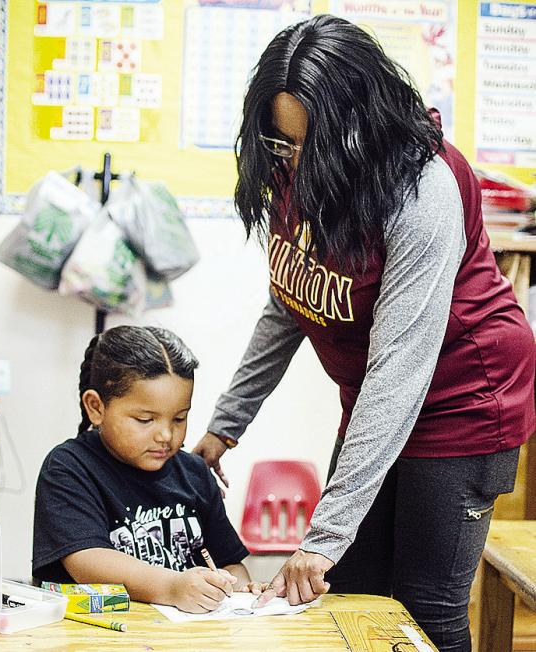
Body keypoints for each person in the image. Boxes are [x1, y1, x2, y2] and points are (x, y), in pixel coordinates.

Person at [192, 14, 536, 650]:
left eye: (306, 147)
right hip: (380, 398)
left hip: (464, 397)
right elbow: (289, 298)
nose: (292, 162)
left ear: (358, 125)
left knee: (424, 612)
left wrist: (320, 539)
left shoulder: (422, 186)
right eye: (281, 145)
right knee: (354, 596)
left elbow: (400, 370)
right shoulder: (293, 161)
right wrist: (224, 426)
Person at [33, 325, 263, 613]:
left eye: (179, 419)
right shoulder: (69, 468)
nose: (166, 435)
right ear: (96, 407)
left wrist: (237, 589)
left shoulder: (194, 472)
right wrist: (173, 587)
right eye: (145, 420)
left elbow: (229, 563)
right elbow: (87, 561)